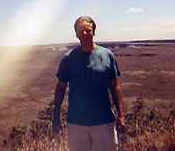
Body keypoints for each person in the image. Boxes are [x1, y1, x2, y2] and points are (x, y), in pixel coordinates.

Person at [52, 16, 125, 151]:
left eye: (88, 30)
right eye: (81, 31)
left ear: (94, 32)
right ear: (76, 35)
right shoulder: (69, 58)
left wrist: (121, 115)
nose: (85, 34)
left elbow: (115, 86)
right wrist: (56, 116)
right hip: (76, 122)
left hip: (104, 121)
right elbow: (60, 88)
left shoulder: (107, 55)